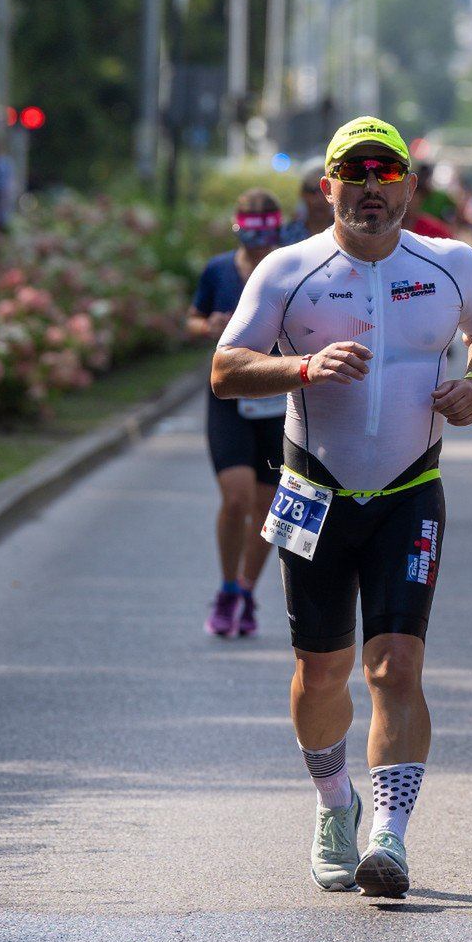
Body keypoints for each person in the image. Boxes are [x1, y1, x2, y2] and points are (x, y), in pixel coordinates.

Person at [212, 115, 472, 900]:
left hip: (410, 493)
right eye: (354, 173)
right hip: (312, 492)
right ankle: (332, 804)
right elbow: (225, 369)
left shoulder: (450, 264)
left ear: (410, 186)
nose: (370, 187)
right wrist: (303, 368)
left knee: (396, 665)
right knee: (320, 673)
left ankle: (389, 836)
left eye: (386, 173)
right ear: (327, 187)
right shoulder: (288, 270)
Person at [189, 189, 289, 639]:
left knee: (268, 507)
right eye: (250, 229)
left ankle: (247, 591)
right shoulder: (218, 270)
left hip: (277, 400)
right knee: (236, 498)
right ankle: (227, 588)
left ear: (278, 228)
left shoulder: (289, 269)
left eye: (266, 229)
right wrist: (206, 325)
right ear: (237, 226)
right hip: (229, 399)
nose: (258, 240)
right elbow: (192, 317)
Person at [280, 164, 333, 244]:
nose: (319, 200)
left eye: (324, 191)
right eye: (312, 191)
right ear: (302, 194)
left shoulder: (346, 233)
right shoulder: (288, 234)